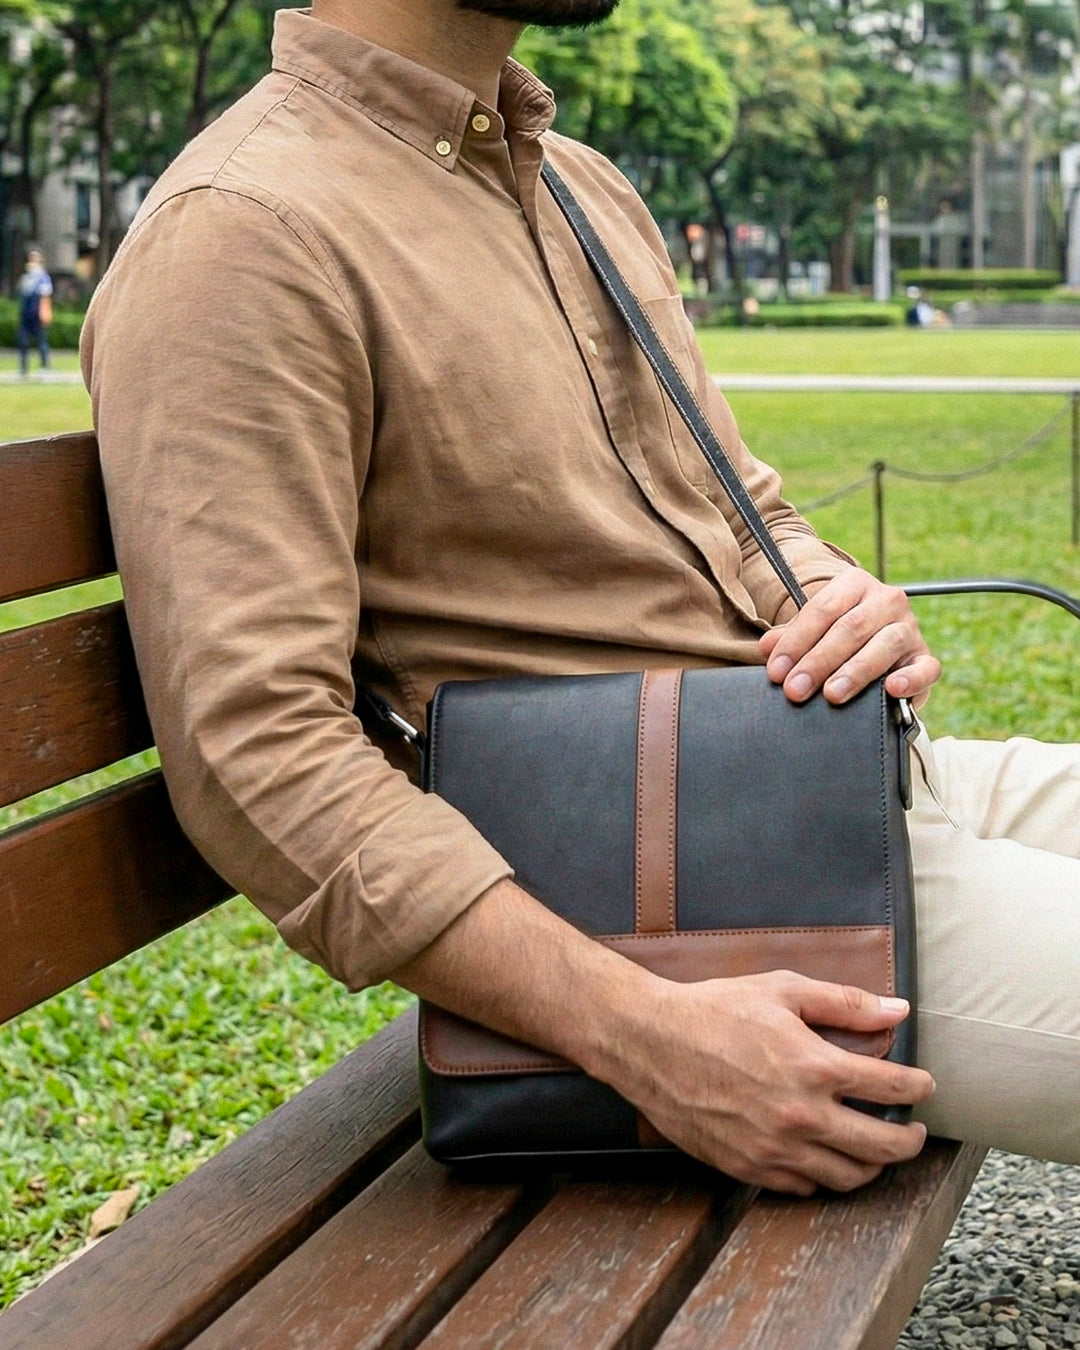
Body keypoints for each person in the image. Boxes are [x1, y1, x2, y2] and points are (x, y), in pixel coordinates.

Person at [81, 0, 1080, 1196]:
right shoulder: (242, 232)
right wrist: (641, 1034)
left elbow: (745, 509)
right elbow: (256, 752)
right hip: (691, 891)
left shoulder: (578, 183)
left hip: (845, 770)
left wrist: (832, 595)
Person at [17, 249, 53, 377]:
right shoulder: (27, 278)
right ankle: (23, 368)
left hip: (37, 314)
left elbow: (45, 297)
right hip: (26, 314)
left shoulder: (43, 278)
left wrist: (45, 313)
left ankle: (44, 367)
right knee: (22, 341)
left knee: (41, 341)